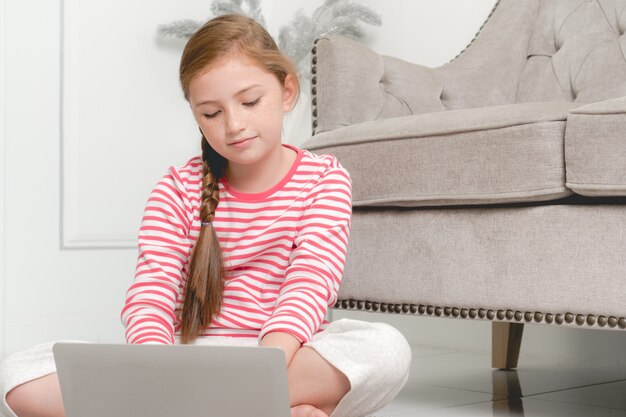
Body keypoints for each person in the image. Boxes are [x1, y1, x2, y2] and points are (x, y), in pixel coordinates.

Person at [0, 14, 411, 417]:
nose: (234, 125)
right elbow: (151, 293)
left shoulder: (325, 179)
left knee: (384, 348)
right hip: (184, 364)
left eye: (250, 102)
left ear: (287, 91)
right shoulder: (177, 187)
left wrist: (259, 371)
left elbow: (309, 284)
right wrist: (153, 368)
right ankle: (258, 409)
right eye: (211, 113)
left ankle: (192, 408)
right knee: (17, 373)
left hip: (283, 357)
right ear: (196, 114)